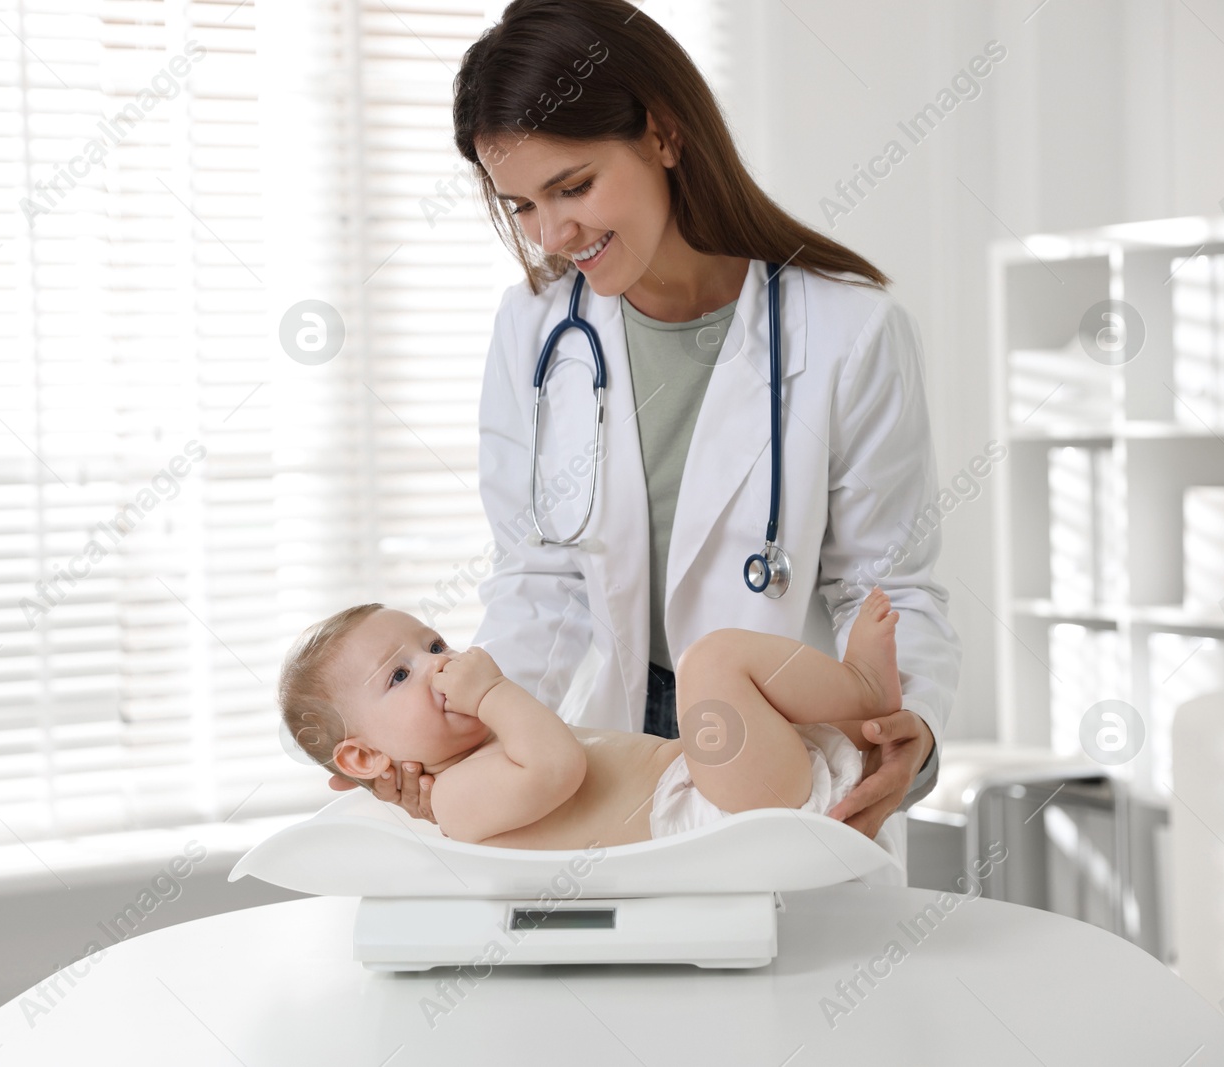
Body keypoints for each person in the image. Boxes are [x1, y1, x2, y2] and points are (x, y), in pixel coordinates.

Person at [326, 0, 960, 872]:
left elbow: (892, 590)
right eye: (523, 206)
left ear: (663, 134)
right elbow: (541, 577)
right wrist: (463, 739)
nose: (552, 235)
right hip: (612, 754)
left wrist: (910, 737)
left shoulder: (850, 332)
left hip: (780, 744)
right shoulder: (535, 331)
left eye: (574, 187)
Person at [290, 591, 904, 850]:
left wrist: (494, 702)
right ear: (364, 758)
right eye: (399, 676)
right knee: (712, 662)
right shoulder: (453, 797)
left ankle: (858, 703)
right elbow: (559, 765)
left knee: (718, 673)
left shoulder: (488, 745)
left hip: (718, 789)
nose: (439, 664)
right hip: (717, 817)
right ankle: (863, 689)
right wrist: (495, 691)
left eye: (433, 645)